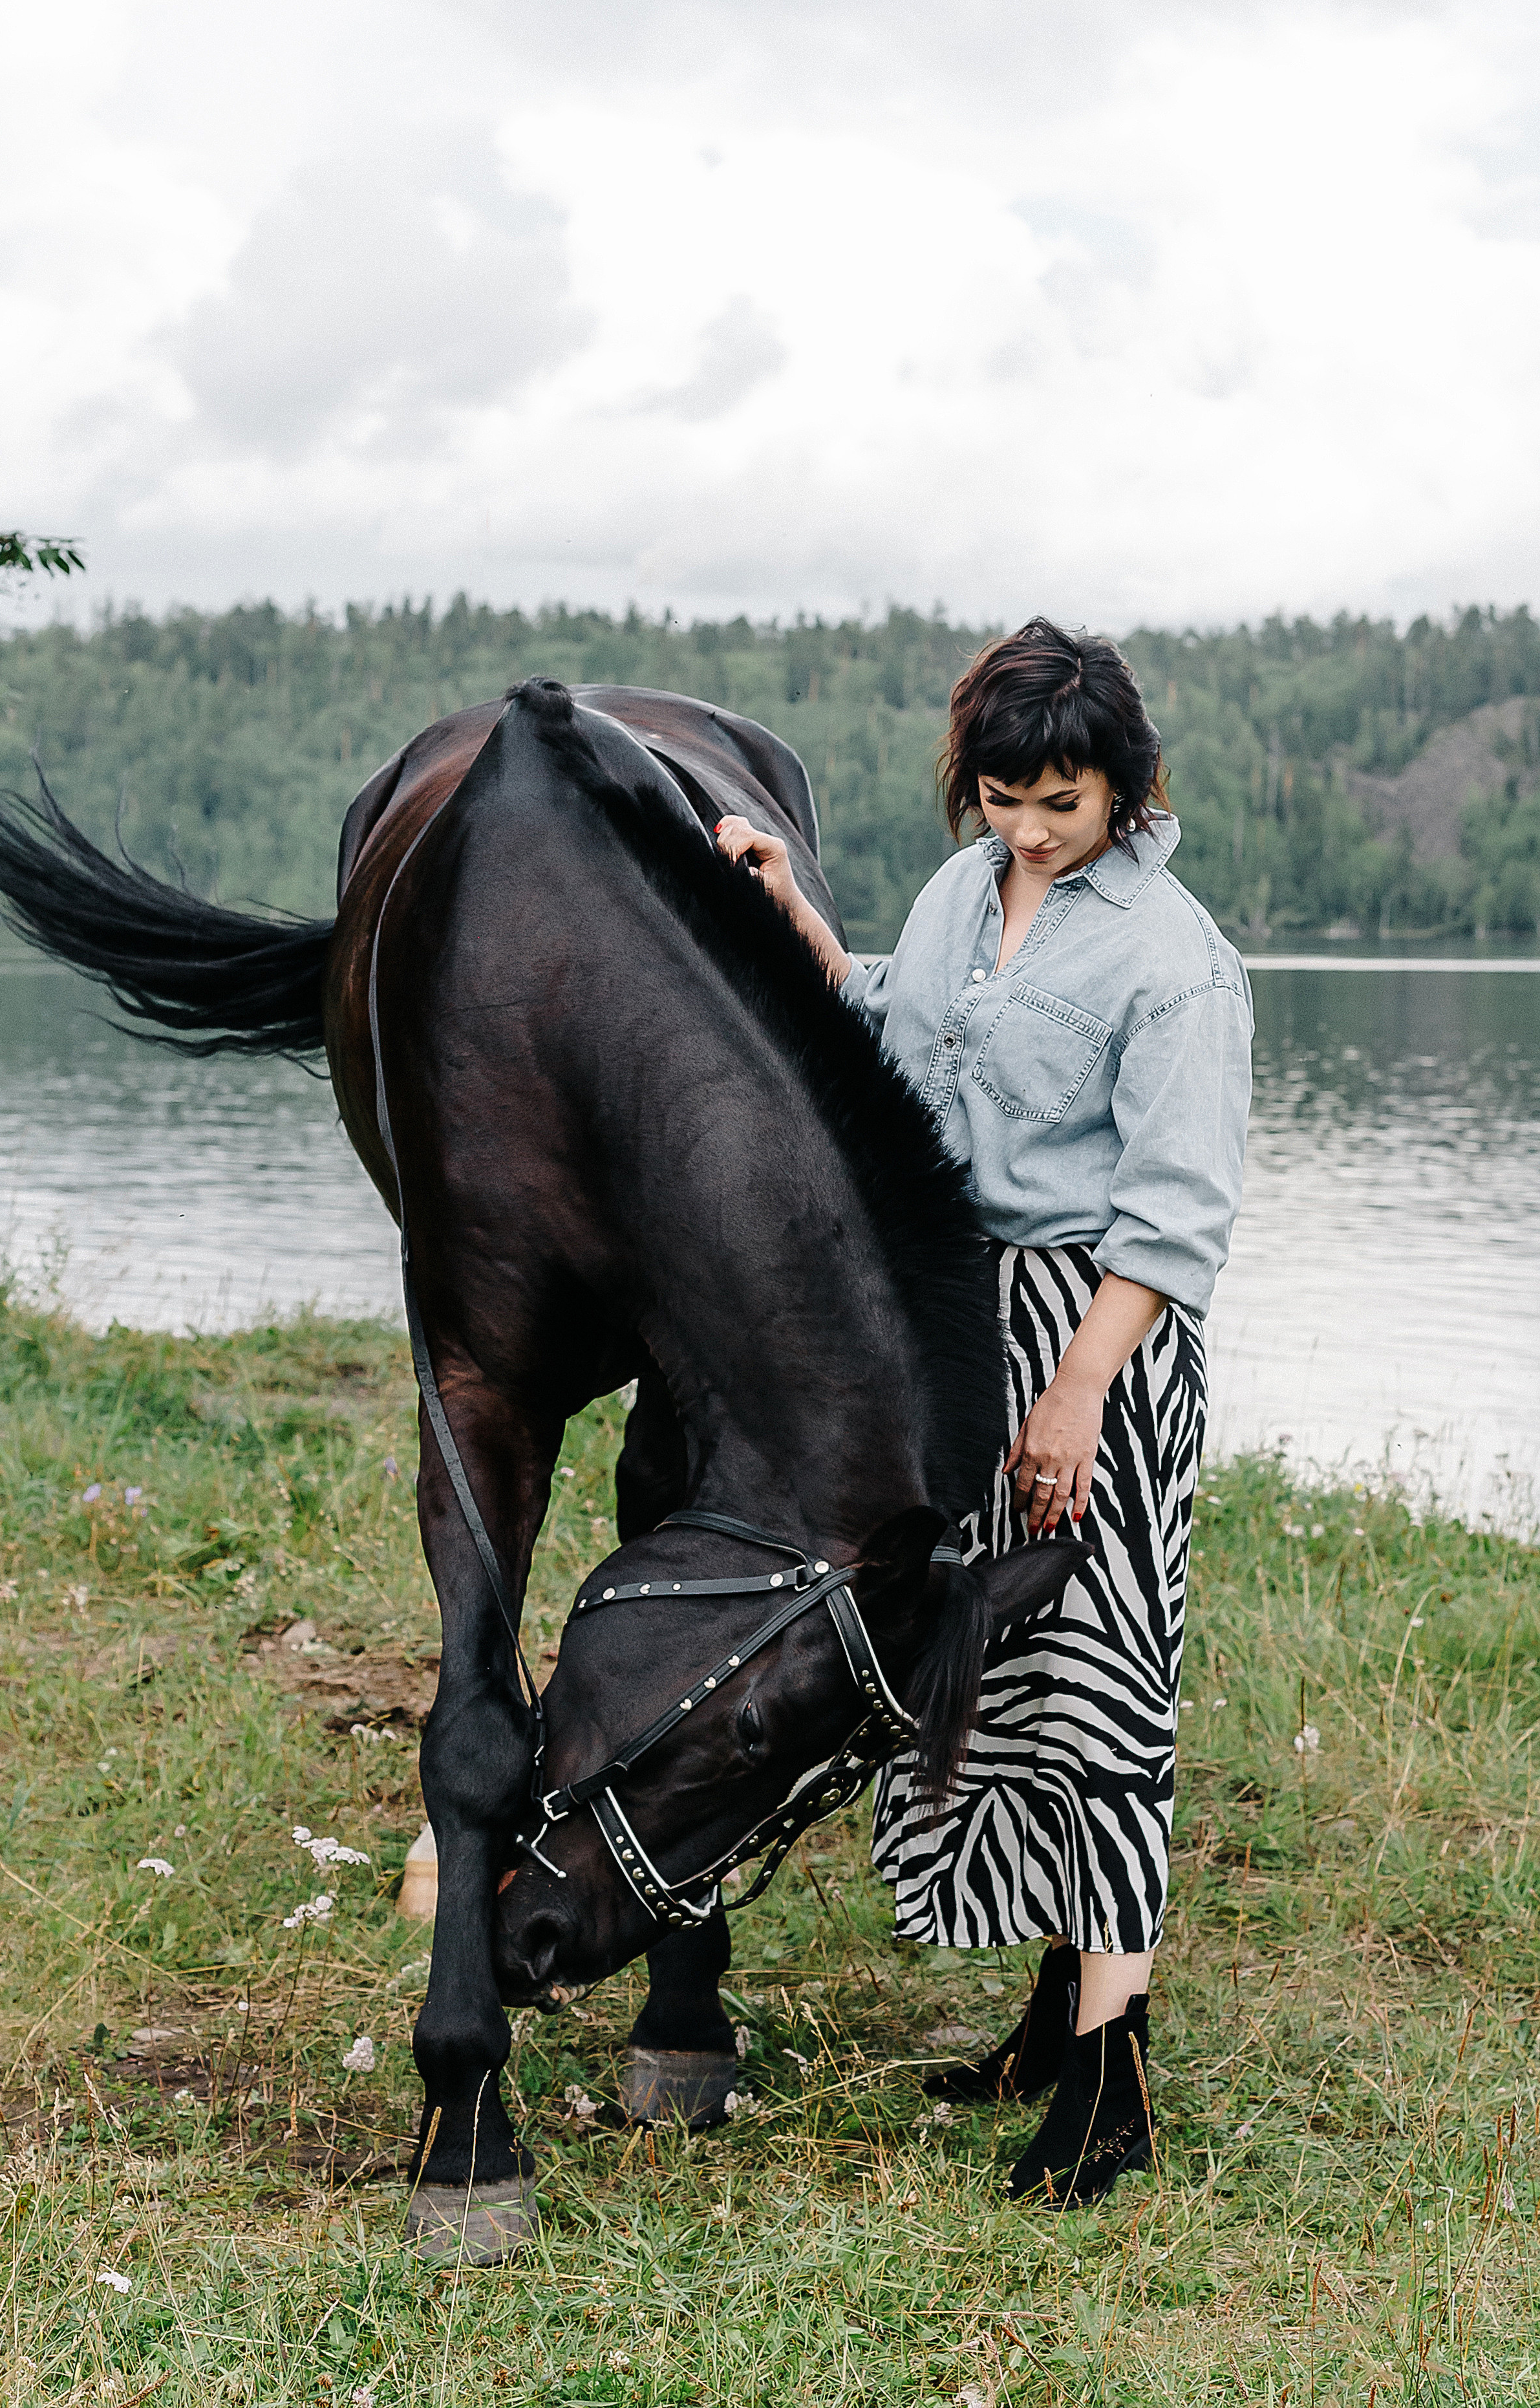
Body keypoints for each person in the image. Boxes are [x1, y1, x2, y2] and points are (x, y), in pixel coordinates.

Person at [714, 618, 1252, 2208]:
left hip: (1096, 1336)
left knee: (1100, 1680)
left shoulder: (1175, 959)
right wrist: (801, 923)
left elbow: (1177, 1210)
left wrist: (1080, 1392)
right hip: (957, 1323)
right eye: (1004, 796)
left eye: (1061, 805)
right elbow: (900, 1017)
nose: (1026, 829)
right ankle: (1042, 2016)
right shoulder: (966, 891)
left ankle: (1115, 2078)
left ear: (1127, 788)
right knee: (988, 1671)